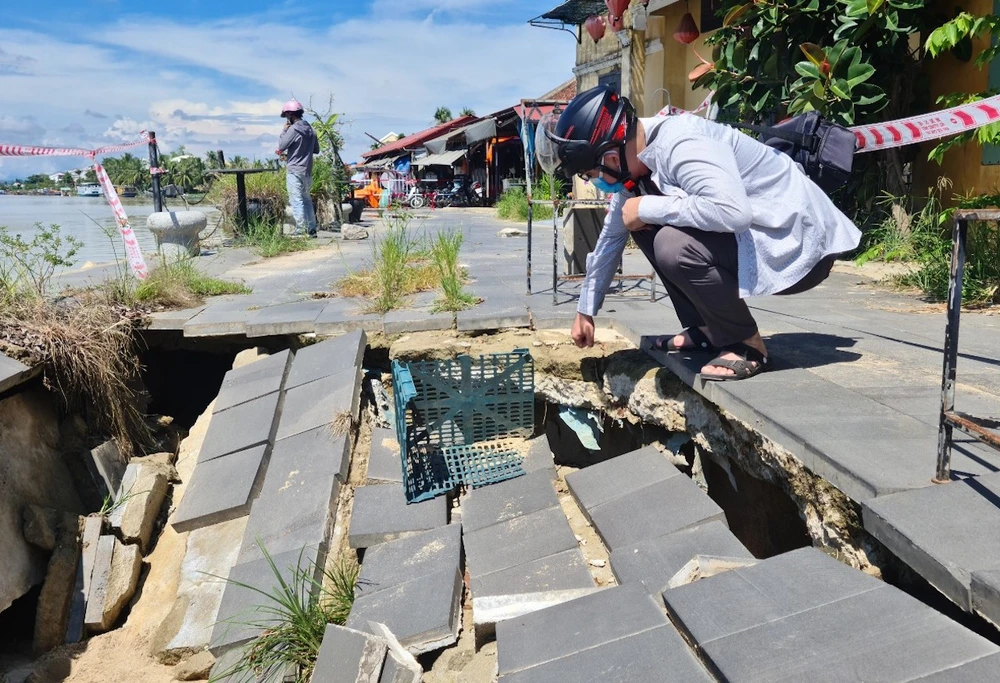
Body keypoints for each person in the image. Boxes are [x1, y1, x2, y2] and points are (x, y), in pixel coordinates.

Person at [536, 85, 861, 381]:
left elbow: (733, 212)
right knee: (637, 219)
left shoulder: (681, 143)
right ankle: (708, 328)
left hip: (799, 246)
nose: (595, 181)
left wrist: (647, 207)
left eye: (591, 173)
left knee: (670, 242)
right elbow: (611, 238)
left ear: (610, 157)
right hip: (761, 237)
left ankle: (747, 344)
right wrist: (585, 310)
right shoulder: (638, 167)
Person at [277, 99, 320, 237]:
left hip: (294, 169)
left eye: (287, 115)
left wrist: (285, 130)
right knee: (306, 199)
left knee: (296, 200)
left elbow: (281, 145)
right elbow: (316, 150)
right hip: (307, 170)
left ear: (290, 114)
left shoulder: (293, 129)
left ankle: (301, 230)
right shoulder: (311, 130)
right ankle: (311, 229)